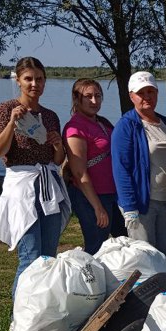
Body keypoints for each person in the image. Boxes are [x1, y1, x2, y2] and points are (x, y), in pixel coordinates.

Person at [0, 57, 69, 297]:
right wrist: (12, 123)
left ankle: (40, 313)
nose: (35, 84)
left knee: (48, 258)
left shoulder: (51, 116)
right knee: (31, 257)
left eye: (39, 79)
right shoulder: (5, 110)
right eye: (29, 79)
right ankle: (19, 317)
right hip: (22, 190)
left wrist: (57, 145)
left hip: (48, 187)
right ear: (19, 81)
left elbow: (57, 161)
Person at [111, 71, 166, 275]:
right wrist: (129, 206)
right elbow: (121, 169)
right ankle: (144, 302)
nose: (147, 97)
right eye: (141, 93)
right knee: (146, 259)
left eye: (151, 91)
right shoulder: (126, 126)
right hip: (142, 205)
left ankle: (165, 299)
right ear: (132, 96)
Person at [62, 78, 124, 254]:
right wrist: (97, 207)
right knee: (97, 249)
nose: (94, 101)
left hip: (113, 195)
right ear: (76, 99)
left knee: (125, 244)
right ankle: (93, 281)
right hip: (92, 197)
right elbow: (79, 171)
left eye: (98, 96)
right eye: (88, 96)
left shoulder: (102, 123)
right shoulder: (75, 128)